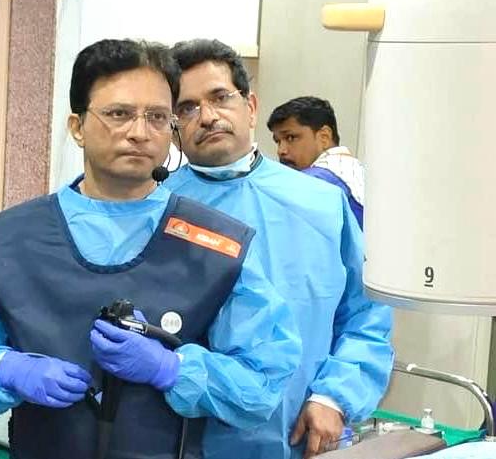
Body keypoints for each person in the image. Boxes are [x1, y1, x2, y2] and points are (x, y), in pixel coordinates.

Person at [0, 39, 301, 459]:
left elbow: (261, 382)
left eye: (157, 117)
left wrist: (172, 368)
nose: (139, 133)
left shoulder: (215, 246)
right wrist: (7, 369)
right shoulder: (11, 240)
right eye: (119, 114)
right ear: (77, 127)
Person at [164, 39, 393, 459]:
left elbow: (366, 315)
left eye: (220, 97)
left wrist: (333, 397)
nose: (208, 116)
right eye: (188, 107)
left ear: (250, 106)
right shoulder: (159, 212)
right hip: (193, 443)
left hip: (308, 435)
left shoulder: (321, 203)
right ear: (174, 125)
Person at [267, 96, 365, 228]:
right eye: (278, 141)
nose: (281, 151)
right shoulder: (358, 170)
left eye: (290, 138)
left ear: (324, 137)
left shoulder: (315, 181)